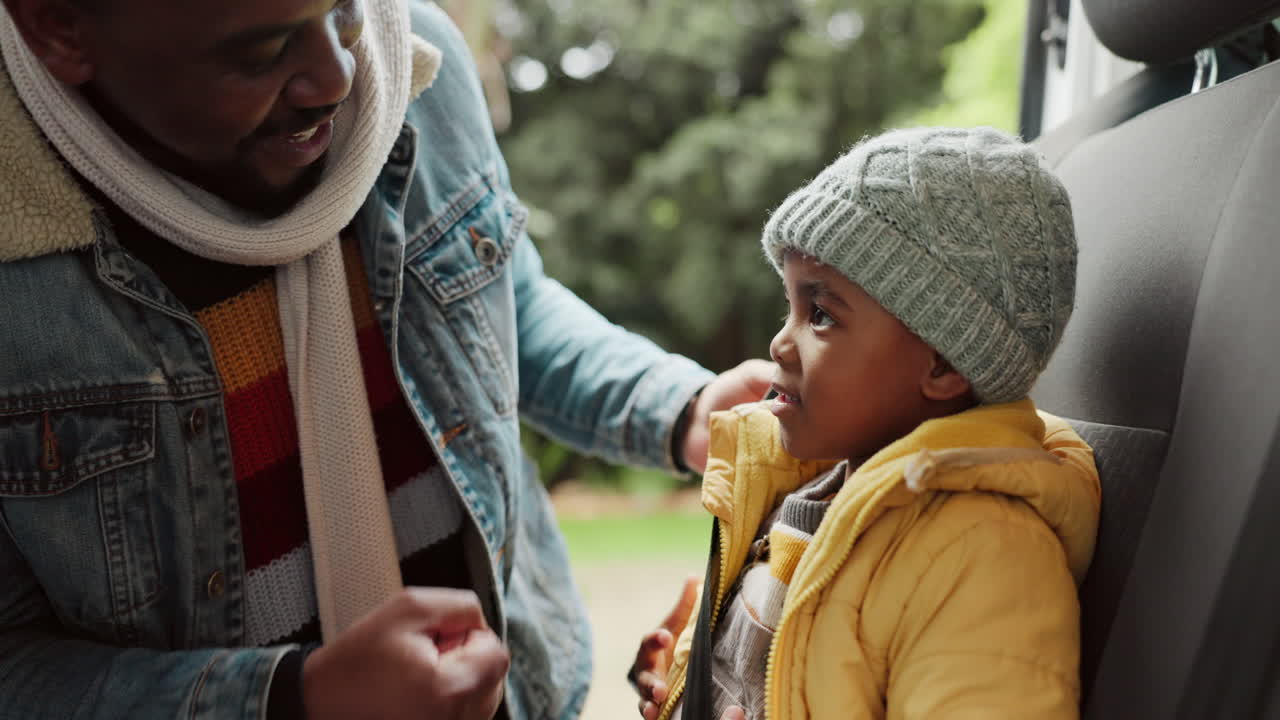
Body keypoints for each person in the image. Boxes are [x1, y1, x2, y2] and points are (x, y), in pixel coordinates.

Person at [0, 0, 771, 718]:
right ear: (59, 28)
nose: (340, 72)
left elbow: (502, 302)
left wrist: (682, 411)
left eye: (344, 7)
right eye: (264, 49)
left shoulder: (415, 59)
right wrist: (292, 699)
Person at [630, 127, 1102, 720]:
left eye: (820, 314)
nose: (780, 341)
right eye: (791, 306)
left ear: (944, 362)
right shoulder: (802, 497)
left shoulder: (984, 557)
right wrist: (689, 682)